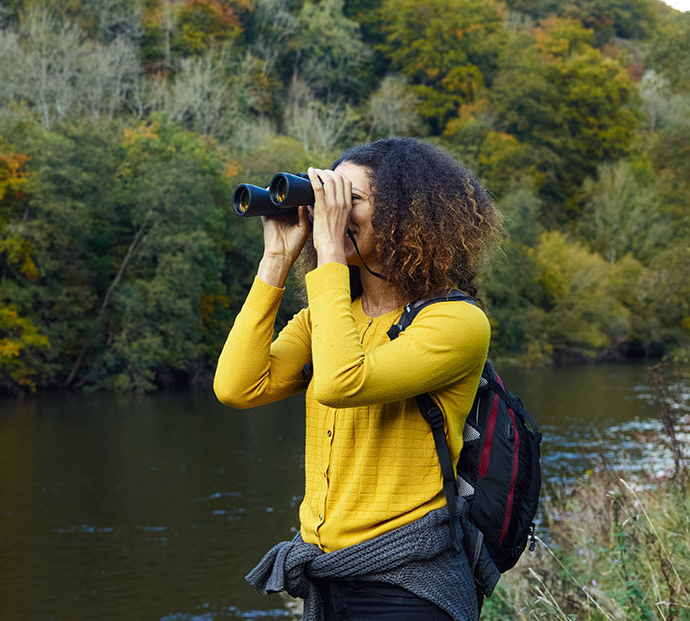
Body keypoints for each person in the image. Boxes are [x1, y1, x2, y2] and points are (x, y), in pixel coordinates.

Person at [213, 138, 502, 621]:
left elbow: (341, 383)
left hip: (410, 583)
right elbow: (238, 386)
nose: (331, 209)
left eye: (350, 199)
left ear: (406, 216)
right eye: (327, 195)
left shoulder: (456, 323)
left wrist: (327, 248)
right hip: (330, 577)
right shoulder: (331, 319)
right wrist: (277, 261)